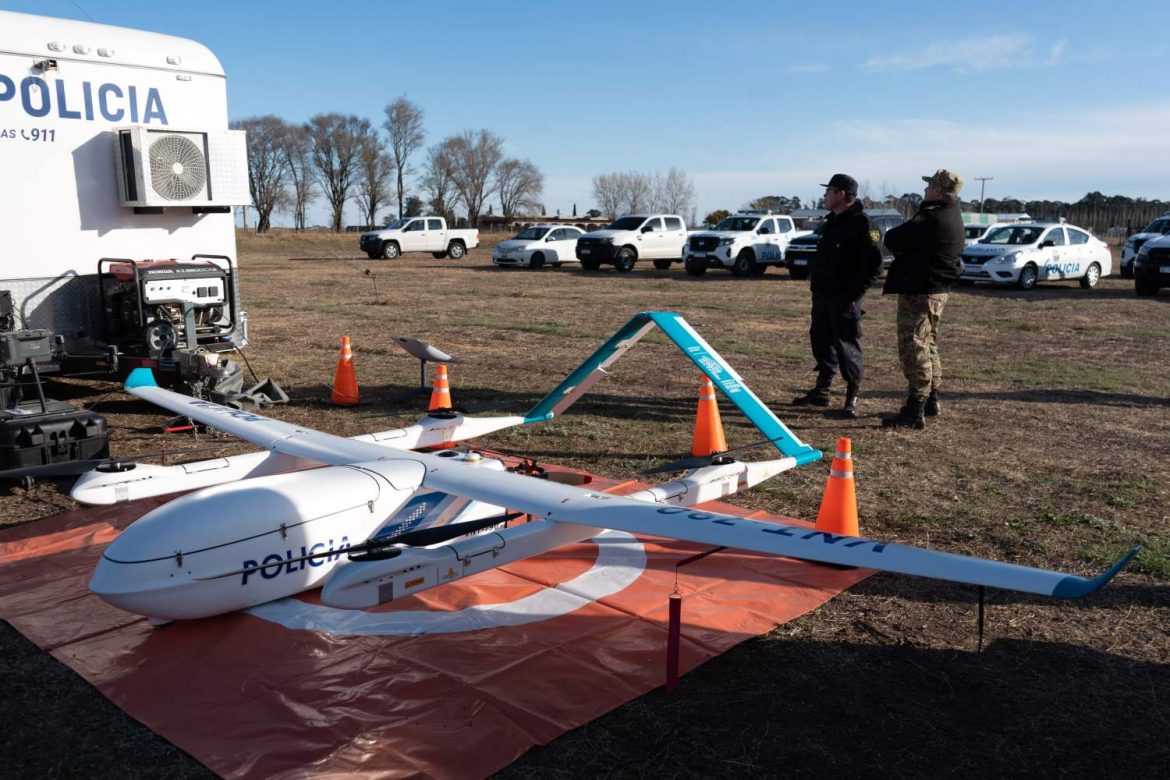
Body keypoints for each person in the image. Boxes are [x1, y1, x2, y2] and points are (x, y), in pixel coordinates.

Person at [791, 173, 883, 418]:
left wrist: (853, 295)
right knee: (820, 341)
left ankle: (852, 398)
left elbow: (875, 266)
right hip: (822, 295)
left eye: (828, 191)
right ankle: (822, 390)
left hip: (844, 298)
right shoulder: (831, 222)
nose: (824, 195)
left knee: (846, 345)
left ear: (841, 194)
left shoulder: (865, 225)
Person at [880, 169, 965, 429]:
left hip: (921, 290)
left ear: (938, 190)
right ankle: (931, 399)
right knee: (928, 344)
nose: (925, 190)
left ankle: (915, 407)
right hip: (936, 290)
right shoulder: (953, 213)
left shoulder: (931, 216)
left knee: (913, 346)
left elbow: (894, 238)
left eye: (929, 186)